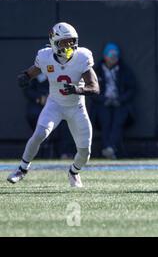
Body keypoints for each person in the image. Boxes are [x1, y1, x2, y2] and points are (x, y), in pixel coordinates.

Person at [7, 22, 99, 188]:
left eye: (72, 41)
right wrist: (25, 77)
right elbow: (33, 71)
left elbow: (95, 88)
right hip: (55, 104)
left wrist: (77, 90)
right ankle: (22, 168)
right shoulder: (45, 56)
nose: (70, 45)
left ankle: (73, 171)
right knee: (40, 133)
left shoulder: (82, 57)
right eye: (65, 42)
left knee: (85, 152)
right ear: (54, 42)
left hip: (76, 107)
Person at [91, 43, 136, 159]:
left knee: (118, 119)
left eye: (115, 56)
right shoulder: (96, 70)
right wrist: (104, 99)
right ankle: (108, 147)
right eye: (110, 56)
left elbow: (131, 89)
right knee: (105, 119)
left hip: (120, 103)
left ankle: (110, 148)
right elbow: (91, 90)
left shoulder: (124, 70)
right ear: (105, 56)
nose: (113, 58)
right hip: (103, 104)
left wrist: (119, 100)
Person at [24, 73, 76, 159]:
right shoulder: (36, 73)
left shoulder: (61, 72)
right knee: (35, 117)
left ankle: (65, 152)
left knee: (67, 120)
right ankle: (39, 151)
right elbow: (27, 90)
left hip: (58, 105)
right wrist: (40, 98)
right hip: (40, 107)